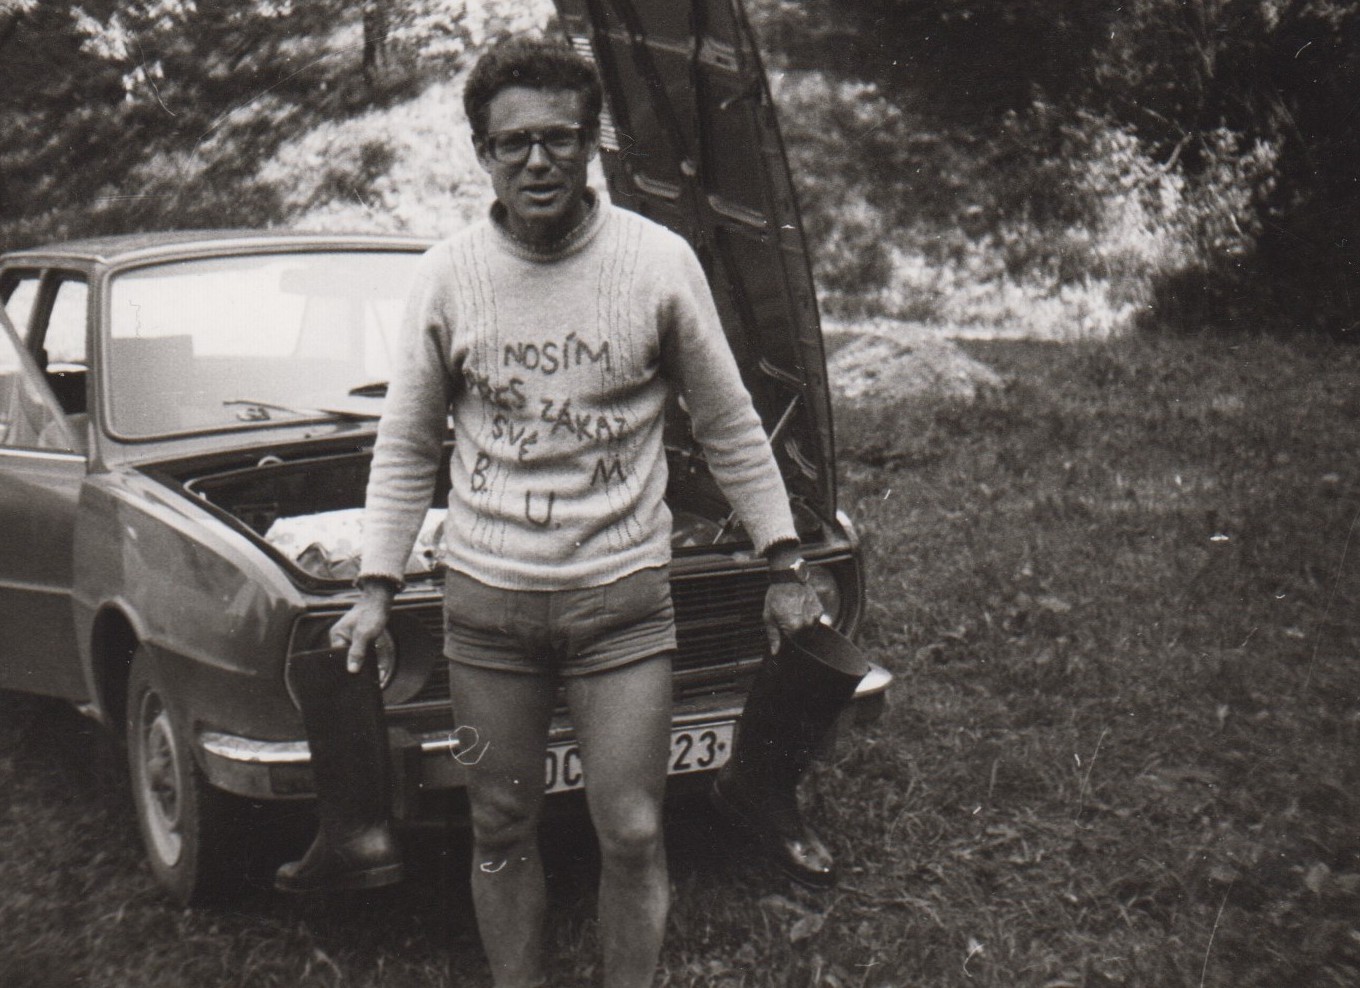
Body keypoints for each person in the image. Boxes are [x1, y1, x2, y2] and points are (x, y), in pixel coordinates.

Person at [326, 33, 828, 988]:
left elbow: (729, 421)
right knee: (498, 823)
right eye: (512, 142)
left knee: (632, 829)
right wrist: (376, 586)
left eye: (559, 137)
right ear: (482, 152)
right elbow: (407, 445)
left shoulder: (658, 263)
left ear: (592, 142)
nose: (538, 160)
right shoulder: (447, 277)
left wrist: (785, 562)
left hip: (621, 607)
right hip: (488, 613)